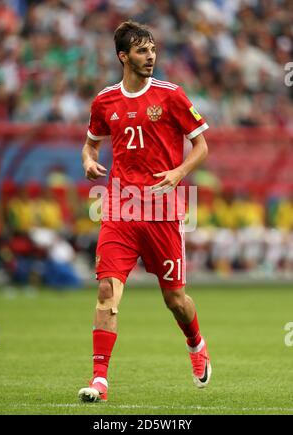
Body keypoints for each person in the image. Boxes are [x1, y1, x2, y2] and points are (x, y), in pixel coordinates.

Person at [78, 21, 211, 402]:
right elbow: (90, 146)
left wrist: (179, 172)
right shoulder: (104, 100)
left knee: (175, 300)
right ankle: (100, 380)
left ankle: (196, 344)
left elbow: (201, 145)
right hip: (120, 207)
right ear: (123, 56)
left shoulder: (171, 95)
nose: (150, 55)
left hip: (162, 209)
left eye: (152, 49)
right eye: (141, 50)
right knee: (106, 289)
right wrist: (88, 161)